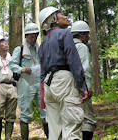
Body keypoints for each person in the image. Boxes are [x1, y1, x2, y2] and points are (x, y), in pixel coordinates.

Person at [38, 7, 89, 140]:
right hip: (64, 82)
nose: (65, 17)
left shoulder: (43, 43)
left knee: (55, 132)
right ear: (53, 19)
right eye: (61, 14)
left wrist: (42, 95)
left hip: (49, 86)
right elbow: (74, 61)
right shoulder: (65, 34)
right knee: (72, 126)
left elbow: (42, 72)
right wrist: (82, 87)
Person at [8, 23, 49, 140]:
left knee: (45, 110)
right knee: (25, 112)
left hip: (39, 82)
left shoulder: (39, 48)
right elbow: (12, 64)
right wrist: (22, 69)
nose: (33, 39)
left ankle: (50, 136)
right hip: (25, 82)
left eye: (35, 36)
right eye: (31, 36)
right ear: (26, 36)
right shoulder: (19, 49)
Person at [71, 21, 97, 140]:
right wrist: (87, 87)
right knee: (88, 119)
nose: (88, 38)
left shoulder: (67, 48)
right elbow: (83, 69)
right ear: (82, 34)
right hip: (80, 87)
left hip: (67, 88)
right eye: (87, 35)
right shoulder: (81, 47)